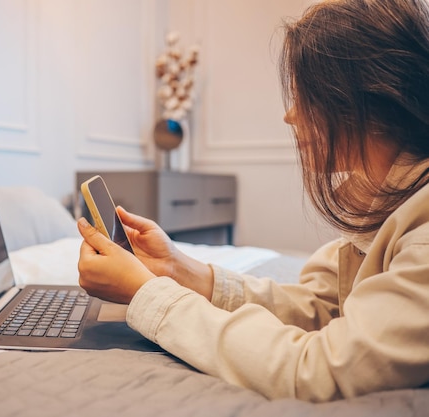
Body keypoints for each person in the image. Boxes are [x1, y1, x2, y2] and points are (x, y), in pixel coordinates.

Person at [76, 0, 429, 403]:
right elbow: (321, 306)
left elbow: (317, 371)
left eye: (306, 97)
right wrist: (178, 267)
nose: (291, 116)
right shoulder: (392, 200)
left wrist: (147, 295)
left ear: (368, 102)